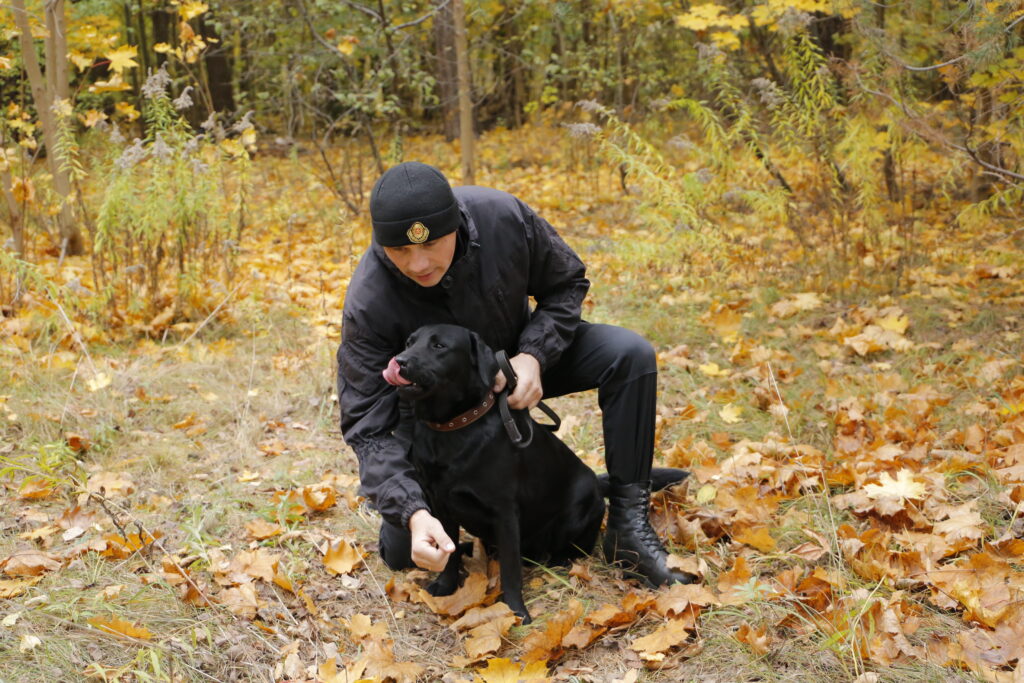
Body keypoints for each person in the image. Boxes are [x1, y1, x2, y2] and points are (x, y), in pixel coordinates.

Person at [337, 161, 693, 588]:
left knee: (629, 354)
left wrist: (534, 354)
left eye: (432, 245)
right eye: (400, 252)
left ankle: (628, 525)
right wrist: (412, 511)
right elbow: (367, 426)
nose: (418, 263)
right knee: (400, 555)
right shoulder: (369, 300)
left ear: (455, 224)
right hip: (436, 405)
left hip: (520, 364)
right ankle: (434, 515)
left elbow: (567, 283)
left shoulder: (503, 218)